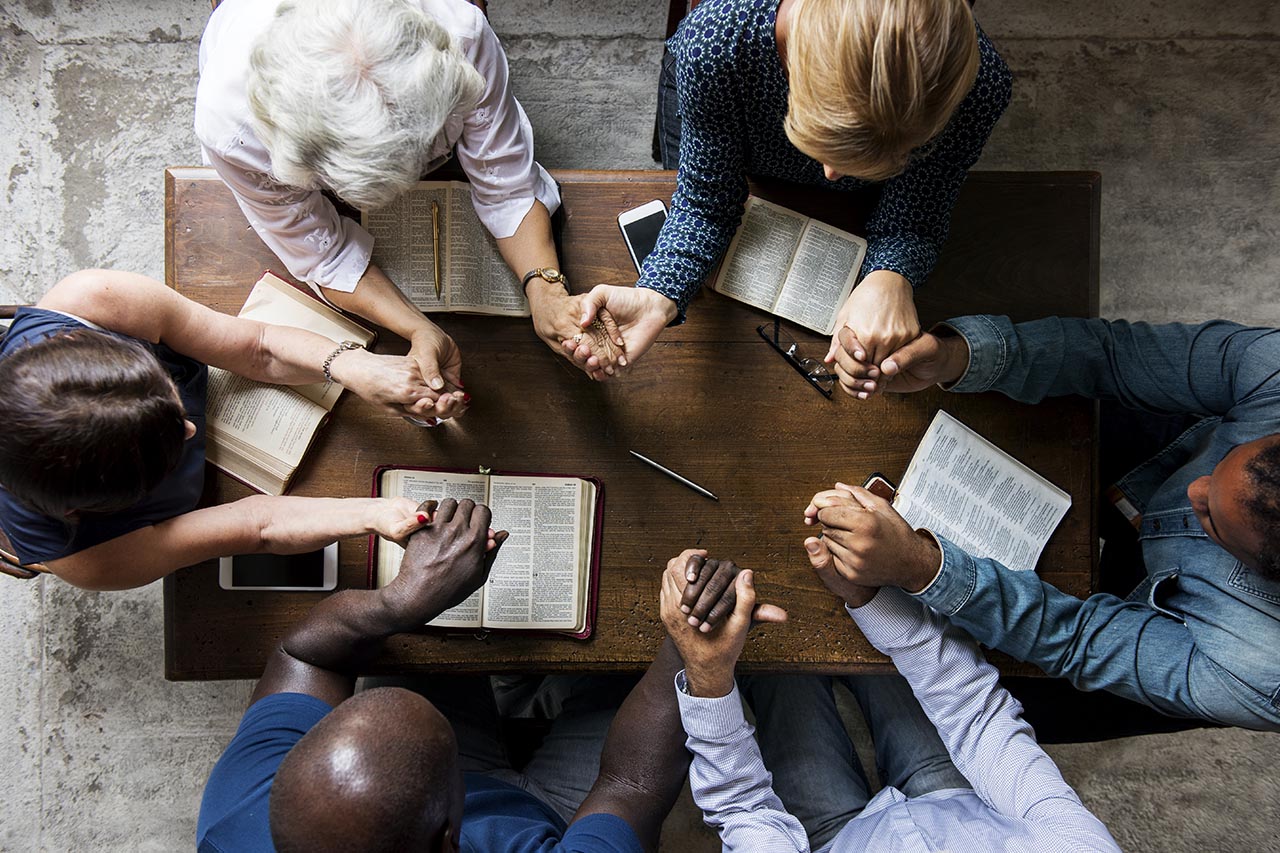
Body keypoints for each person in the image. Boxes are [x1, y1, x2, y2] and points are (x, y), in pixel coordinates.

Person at [807, 314, 1280, 732]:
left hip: (1184, 630)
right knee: (1020, 407)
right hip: (1163, 454)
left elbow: (1077, 638)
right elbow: (1111, 355)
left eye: (1212, 520)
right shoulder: (1274, 373)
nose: (1195, 490)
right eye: (1222, 465)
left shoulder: (1259, 674)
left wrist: (921, 566)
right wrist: (958, 355)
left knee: (1005, 702)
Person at [197, 499, 729, 852]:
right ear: (451, 836)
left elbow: (307, 659)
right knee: (635, 664)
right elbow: (629, 785)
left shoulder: (238, 820)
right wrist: (691, 643)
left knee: (411, 647)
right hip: (560, 816)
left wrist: (400, 603)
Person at [565, 0, 1011, 383]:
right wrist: (657, 295)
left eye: (897, 153)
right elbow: (705, 199)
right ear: (793, 63)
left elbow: (923, 198)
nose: (832, 175)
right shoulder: (716, 43)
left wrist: (890, 276)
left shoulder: (981, 86)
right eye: (822, 140)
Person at [195, 0, 622, 388]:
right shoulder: (229, 128)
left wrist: (546, 290)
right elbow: (323, 255)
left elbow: (507, 181)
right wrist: (420, 329)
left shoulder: (462, 32)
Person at [0, 269, 452, 591]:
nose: (191, 430)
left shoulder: (93, 302)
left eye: (174, 409)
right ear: (82, 510)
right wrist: (374, 514)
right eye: (169, 450)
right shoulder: (91, 560)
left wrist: (354, 366)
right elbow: (258, 526)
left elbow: (256, 347)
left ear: (81, 342)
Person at [659, 546, 1120, 851]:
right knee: (881, 628)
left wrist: (709, 674)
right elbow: (977, 721)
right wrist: (869, 597)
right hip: (958, 799)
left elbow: (745, 808)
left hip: (832, 840)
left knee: (776, 654)